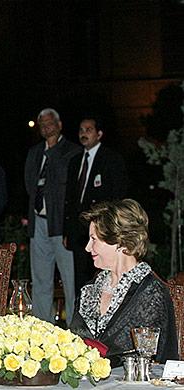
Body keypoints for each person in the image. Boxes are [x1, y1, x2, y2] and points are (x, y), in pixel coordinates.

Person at [69, 199, 178, 367]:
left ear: (119, 242)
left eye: (94, 239)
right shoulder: (89, 290)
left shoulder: (150, 293)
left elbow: (156, 358)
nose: (87, 247)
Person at [24, 108, 82, 325]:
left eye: (50, 123)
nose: (46, 127)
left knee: (69, 278)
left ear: (59, 125)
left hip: (61, 222)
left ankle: (74, 327)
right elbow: (30, 184)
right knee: (40, 278)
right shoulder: (34, 152)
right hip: (38, 220)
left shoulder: (71, 151)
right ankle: (42, 325)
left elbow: (70, 185)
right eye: (42, 125)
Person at [63, 116, 128, 295]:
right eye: (81, 130)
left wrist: (112, 226)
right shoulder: (75, 161)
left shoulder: (111, 158)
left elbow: (118, 195)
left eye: (88, 130)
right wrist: (66, 230)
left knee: (101, 273)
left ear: (99, 134)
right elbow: (69, 198)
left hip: (101, 228)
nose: (83, 134)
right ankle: (81, 318)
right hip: (79, 229)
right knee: (80, 276)